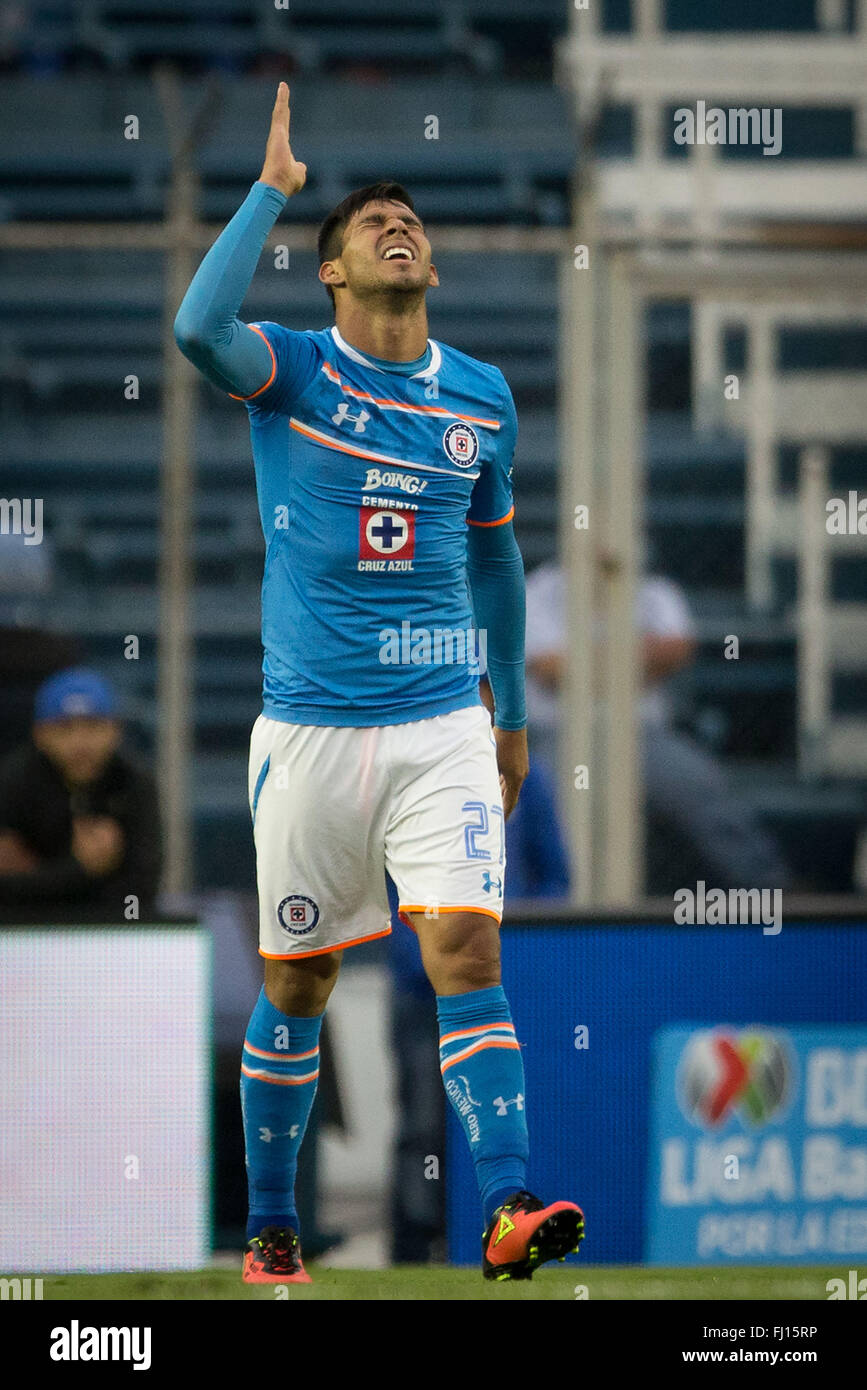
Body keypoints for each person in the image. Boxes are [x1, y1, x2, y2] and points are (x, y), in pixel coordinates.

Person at [174, 83, 584, 1284]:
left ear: (433, 270)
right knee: (298, 978)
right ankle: (271, 1226)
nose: (397, 226)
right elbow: (199, 329)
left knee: (465, 948)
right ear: (333, 277)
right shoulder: (294, 370)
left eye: (409, 218)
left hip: (444, 725)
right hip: (308, 734)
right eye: (369, 225)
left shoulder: (483, 397)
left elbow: (499, 555)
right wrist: (272, 191)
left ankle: (507, 1205)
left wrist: (508, 716)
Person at [525, 562, 791, 892]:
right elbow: (549, 669)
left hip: (643, 735)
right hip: (560, 733)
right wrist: (634, 659)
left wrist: (581, 661)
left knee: (701, 787)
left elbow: (675, 652)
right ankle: (551, 908)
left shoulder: (654, 590)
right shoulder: (541, 588)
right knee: (544, 801)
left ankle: (771, 890)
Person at [0, 667, 162, 920]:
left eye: (93, 725)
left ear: (115, 730)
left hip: (113, 941)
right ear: (40, 734)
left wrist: (42, 877)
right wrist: (84, 870)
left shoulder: (134, 785)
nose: (80, 742)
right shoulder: (14, 783)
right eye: (64, 727)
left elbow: (141, 894)